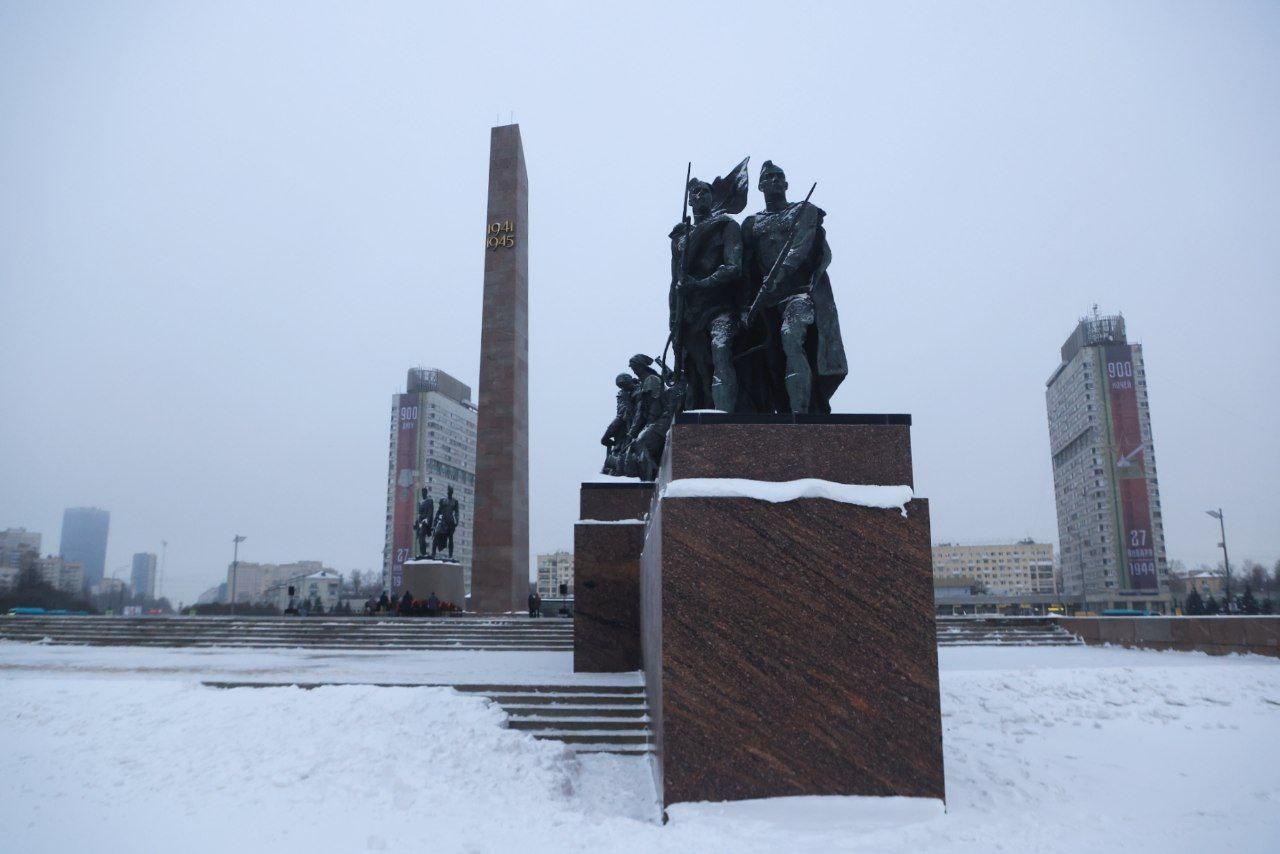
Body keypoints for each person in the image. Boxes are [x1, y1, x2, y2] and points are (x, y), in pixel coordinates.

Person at [741, 160, 847, 413]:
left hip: (798, 294)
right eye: (769, 177)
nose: (775, 181)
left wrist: (779, 276)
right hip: (765, 301)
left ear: (786, 183)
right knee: (771, 358)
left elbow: (801, 248)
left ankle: (801, 414)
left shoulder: (803, 211)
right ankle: (784, 408)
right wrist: (746, 304)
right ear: (760, 186)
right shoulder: (751, 224)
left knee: (792, 337)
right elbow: (745, 268)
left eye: (779, 177)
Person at [668, 159, 749, 412]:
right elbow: (675, 282)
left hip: (720, 306)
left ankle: (724, 421)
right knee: (698, 369)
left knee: (720, 351)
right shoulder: (680, 237)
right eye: (695, 193)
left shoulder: (726, 226)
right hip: (690, 312)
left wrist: (700, 284)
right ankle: (704, 416)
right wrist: (673, 319)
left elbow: (733, 267)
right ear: (690, 201)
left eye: (705, 191)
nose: (699, 195)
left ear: (713, 198)